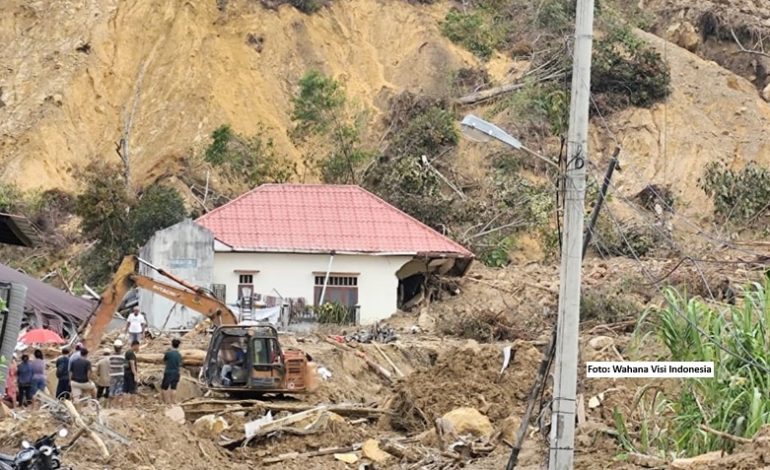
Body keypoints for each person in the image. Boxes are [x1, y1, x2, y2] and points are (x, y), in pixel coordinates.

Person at [161, 339, 182, 404]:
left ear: (172, 344)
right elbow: (180, 363)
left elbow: (164, 360)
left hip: (168, 371)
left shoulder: (168, 353)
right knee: (174, 388)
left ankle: (166, 402)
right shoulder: (179, 354)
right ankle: (173, 401)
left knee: (164, 387)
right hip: (176, 372)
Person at [122, 340, 139, 404]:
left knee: (125, 390)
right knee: (133, 390)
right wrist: (135, 374)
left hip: (125, 372)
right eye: (138, 346)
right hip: (130, 374)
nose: (138, 348)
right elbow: (132, 364)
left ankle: (124, 405)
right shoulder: (131, 353)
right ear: (135, 345)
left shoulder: (127, 352)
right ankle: (133, 405)